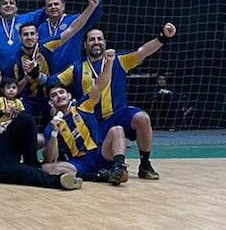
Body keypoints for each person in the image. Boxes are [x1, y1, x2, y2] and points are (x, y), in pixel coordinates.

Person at [52, 23, 178, 180]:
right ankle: (103, 169)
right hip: (92, 123)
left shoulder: (119, 60)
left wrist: (163, 37)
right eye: (92, 39)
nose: (96, 42)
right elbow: (52, 82)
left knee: (142, 118)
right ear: (85, 44)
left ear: (104, 42)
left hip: (117, 114)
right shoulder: (76, 68)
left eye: (99, 39)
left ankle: (145, 164)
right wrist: (34, 72)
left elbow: (143, 52)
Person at [13, 0, 100, 127]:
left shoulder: (46, 46)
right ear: (19, 38)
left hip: (56, 86)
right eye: (25, 35)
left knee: (66, 118)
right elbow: (15, 89)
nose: (29, 37)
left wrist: (91, 6)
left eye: (32, 34)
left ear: (37, 36)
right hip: (31, 98)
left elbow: (73, 29)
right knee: (25, 125)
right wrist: (26, 77)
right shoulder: (16, 57)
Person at [44, 49, 129, 186]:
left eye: (61, 92)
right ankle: (100, 176)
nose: (59, 96)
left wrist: (109, 63)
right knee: (47, 168)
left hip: (100, 153)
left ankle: (119, 166)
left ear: (69, 95)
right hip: (79, 162)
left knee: (117, 130)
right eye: (54, 95)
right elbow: (49, 158)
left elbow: (100, 85)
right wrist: (54, 132)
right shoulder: (52, 126)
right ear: (51, 102)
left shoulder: (83, 106)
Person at [38, 0, 102, 73]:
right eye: (49, 5)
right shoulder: (41, 28)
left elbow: (94, 16)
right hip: (49, 75)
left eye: (56, 4)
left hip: (73, 73)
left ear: (63, 6)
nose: (53, 7)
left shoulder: (74, 20)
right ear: (46, 10)